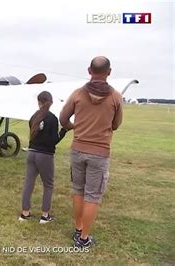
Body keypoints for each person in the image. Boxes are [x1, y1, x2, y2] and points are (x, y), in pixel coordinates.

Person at [59, 56, 123, 248]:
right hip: (100, 152)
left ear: (89, 70)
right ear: (109, 72)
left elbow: (63, 118)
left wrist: (74, 127)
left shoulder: (77, 94)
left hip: (78, 149)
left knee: (78, 190)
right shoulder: (115, 96)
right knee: (93, 196)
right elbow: (116, 124)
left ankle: (78, 228)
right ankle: (84, 239)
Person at [19, 91, 67, 224]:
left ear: (38, 102)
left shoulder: (34, 117)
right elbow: (53, 141)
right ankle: (45, 215)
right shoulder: (52, 118)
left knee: (29, 183)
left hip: (31, 153)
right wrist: (63, 131)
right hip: (44, 155)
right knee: (48, 185)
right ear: (50, 102)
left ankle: (25, 213)